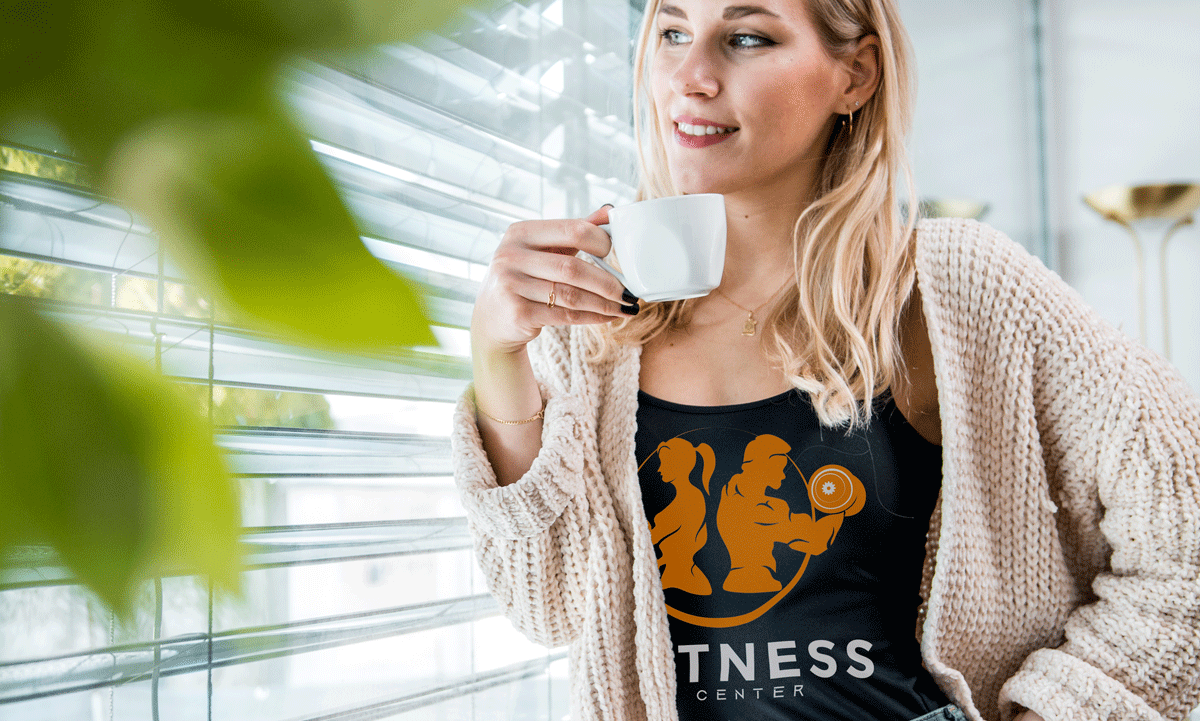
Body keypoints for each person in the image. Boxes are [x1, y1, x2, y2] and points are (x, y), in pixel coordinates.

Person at [451, 0, 1200, 719]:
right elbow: (545, 603)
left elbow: (1186, 527)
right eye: (673, 31)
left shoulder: (955, 288)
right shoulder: (588, 321)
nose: (690, 76)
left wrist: (1059, 710)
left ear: (856, 74)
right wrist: (495, 351)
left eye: (746, 38)